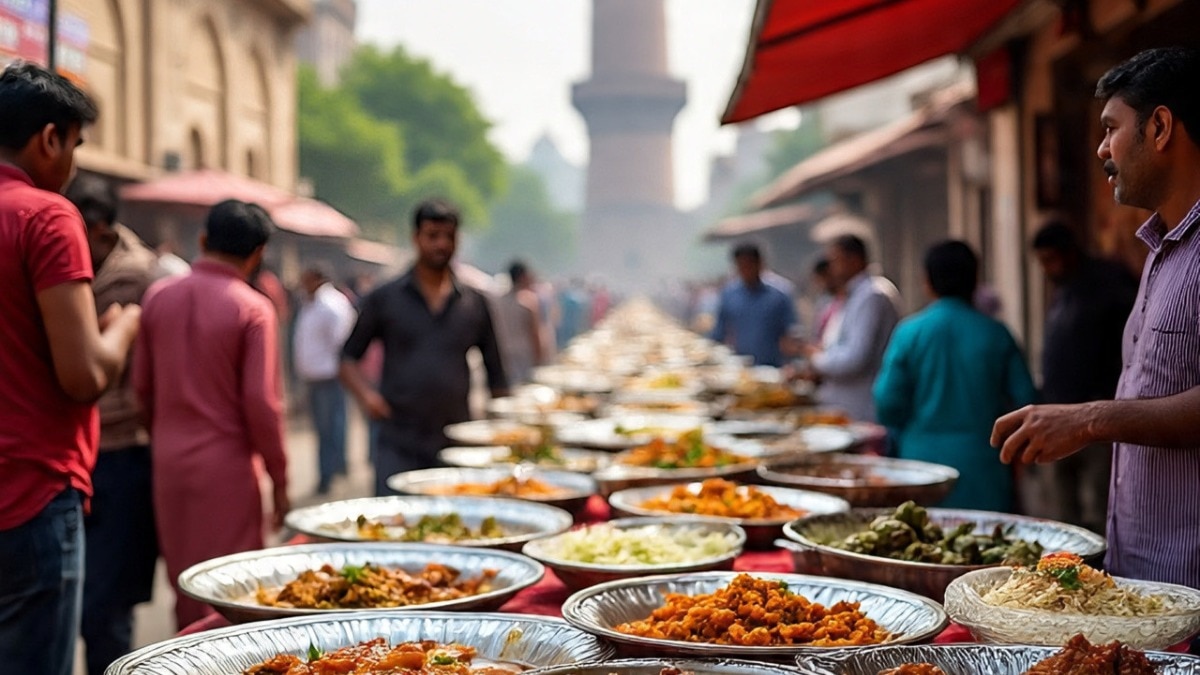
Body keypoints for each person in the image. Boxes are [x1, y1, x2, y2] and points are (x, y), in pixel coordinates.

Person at [992, 47, 1200, 589]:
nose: (1102, 149)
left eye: (1111, 128)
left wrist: (1087, 420)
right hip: (1145, 574)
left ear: (1159, 127)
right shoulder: (1161, 250)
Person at [0, 62, 141, 675]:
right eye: (76, 146)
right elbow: (83, 376)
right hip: (32, 492)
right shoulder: (47, 216)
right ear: (49, 138)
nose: (75, 166)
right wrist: (122, 328)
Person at [133, 199, 290, 629]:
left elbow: (140, 390)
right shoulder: (253, 308)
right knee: (230, 593)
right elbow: (261, 404)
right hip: (227, 468)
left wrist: (163, 433)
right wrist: (279, 478)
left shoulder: (157, 297)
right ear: (258, 254)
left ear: (203, 240)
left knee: (184, 584)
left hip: (169, 462)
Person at [340, 199, 509, 496]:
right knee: (393, 526)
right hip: (398, 438)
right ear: (416, 237)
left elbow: (496, 374)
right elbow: (347, 358)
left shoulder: (474, 303)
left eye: (449, 236)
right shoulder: (385, 298)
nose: (441, 244)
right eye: (433, 236)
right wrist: (367, 397)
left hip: (456, 442)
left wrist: (499, 433)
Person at [66, 175, 162, 675]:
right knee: (76, 589)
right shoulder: (56, 266)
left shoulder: (142, 276)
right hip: (71, 448)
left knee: (108, 603)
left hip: (124, 446)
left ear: (101, 231)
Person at [874, 241, 1037, 511]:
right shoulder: (996, 334)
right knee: (990, 548)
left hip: (920, 468)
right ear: (975, 280)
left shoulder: (909, 333)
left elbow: (887, 404)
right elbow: (1026, 401)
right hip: (984, 467)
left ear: (926, 281)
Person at [1020, 220, 1137, 533]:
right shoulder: (1063, 291)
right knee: (1062, 517)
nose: (1047, 269)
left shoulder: (1110, 283)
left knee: (1099, 510)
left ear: (1070, 253)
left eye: (1050, 260)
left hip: (1100, 421)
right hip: (1059, 414)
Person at [801, 234, 900, 422]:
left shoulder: (872, 295)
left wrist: (817, 359)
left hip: (861, 407)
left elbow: (855, 358)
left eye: (835, 260)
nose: (832, 268)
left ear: (853, 260)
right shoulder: (854, 294)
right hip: (844, 405)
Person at [294, 264, 357, 495]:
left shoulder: (331, 305)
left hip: (329, 376)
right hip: (316, 377)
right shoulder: (310, 303)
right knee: (329, 427)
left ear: (317, 279)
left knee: (329, 428)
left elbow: (341, 343)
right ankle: (335, 467)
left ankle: (327, 476)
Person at [709, 242, 797, 367]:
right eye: (741, 266)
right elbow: (719, 331)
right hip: (740, 365)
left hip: (772, 366)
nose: (746, 271)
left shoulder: (779, 295)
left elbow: (791, 331)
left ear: (760, 264)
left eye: (749, 265)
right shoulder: (729, 294)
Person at [493, 260, 546, 385]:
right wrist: (540, 360)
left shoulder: (498, 302)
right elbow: (535, 334)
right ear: (523, 277)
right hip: (524, 355)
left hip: (503, 353)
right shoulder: (528, 302)